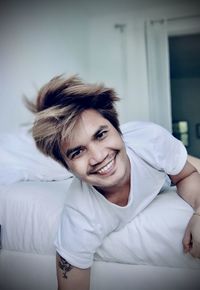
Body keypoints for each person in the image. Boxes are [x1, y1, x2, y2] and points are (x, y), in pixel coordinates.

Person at [27, 75, 200, 290]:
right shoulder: (80, 216)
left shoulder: (151, 140)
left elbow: (185, 175)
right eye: (77, 151)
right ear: (67, 167)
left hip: (159, 163)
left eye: (100, 135)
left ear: (118, 130)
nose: (98, 156)